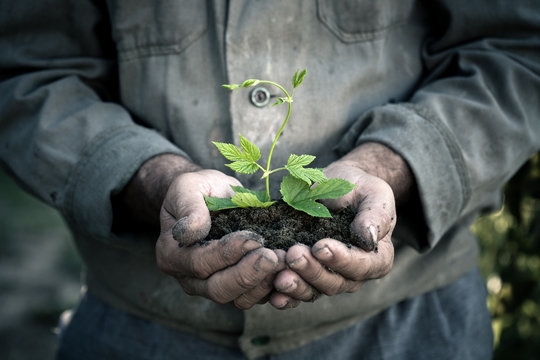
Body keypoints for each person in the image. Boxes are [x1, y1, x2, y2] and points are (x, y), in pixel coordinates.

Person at [0, 1, 539, 359]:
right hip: (137, 325)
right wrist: (154, 180)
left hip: (413, 327)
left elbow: (517, 48)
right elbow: (29, 70)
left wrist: (386, 167)